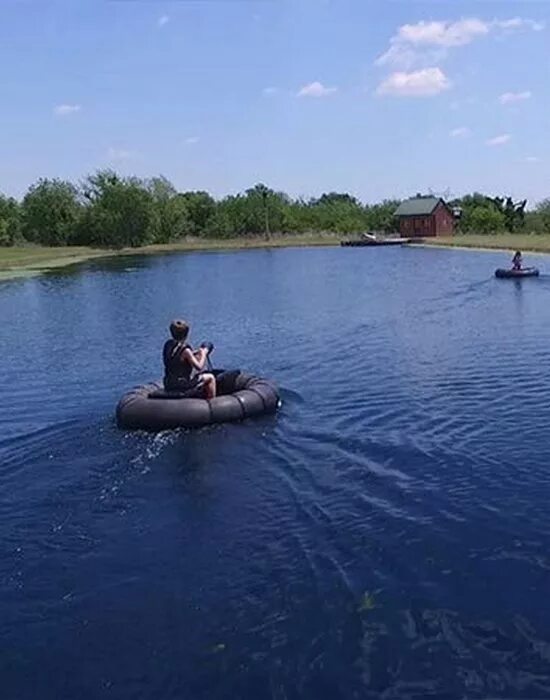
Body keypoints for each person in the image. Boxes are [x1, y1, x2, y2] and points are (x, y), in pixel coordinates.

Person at [163, 319, 216, 399]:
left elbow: (175, 358)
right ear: (187, 334)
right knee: (210, 377)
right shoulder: (186, 350)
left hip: (168, 382)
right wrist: (203, 353)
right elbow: (199, 367)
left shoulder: (168, 344)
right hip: (182, 384)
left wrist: (194, 353)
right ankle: (212, 404)